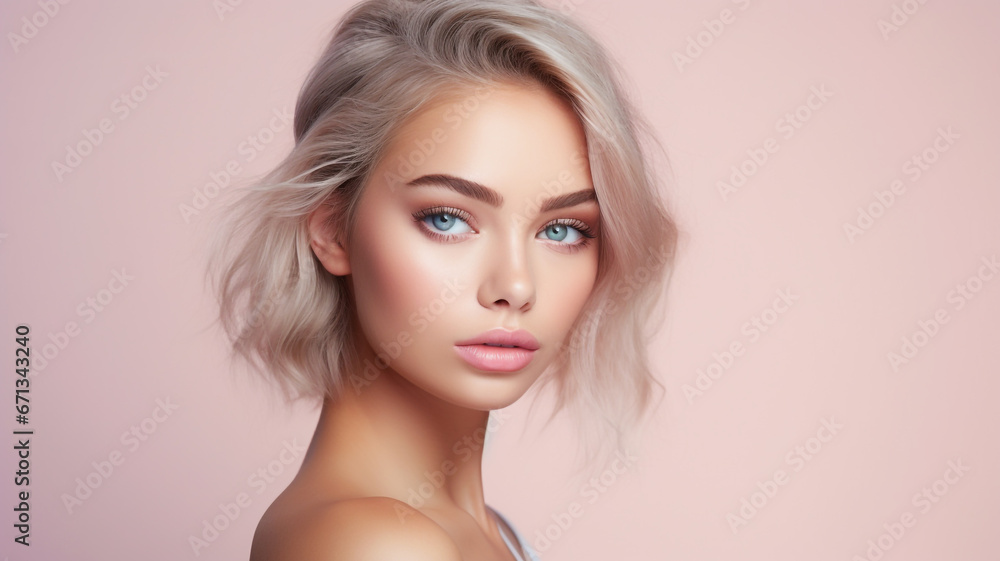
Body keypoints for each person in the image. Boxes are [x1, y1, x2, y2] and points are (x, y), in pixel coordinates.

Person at [208, 0, 678, 558]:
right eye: (447, 219)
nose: (516, 286)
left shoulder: (488, 533)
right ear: (333, 229)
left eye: (562, 230)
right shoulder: (370, 544)